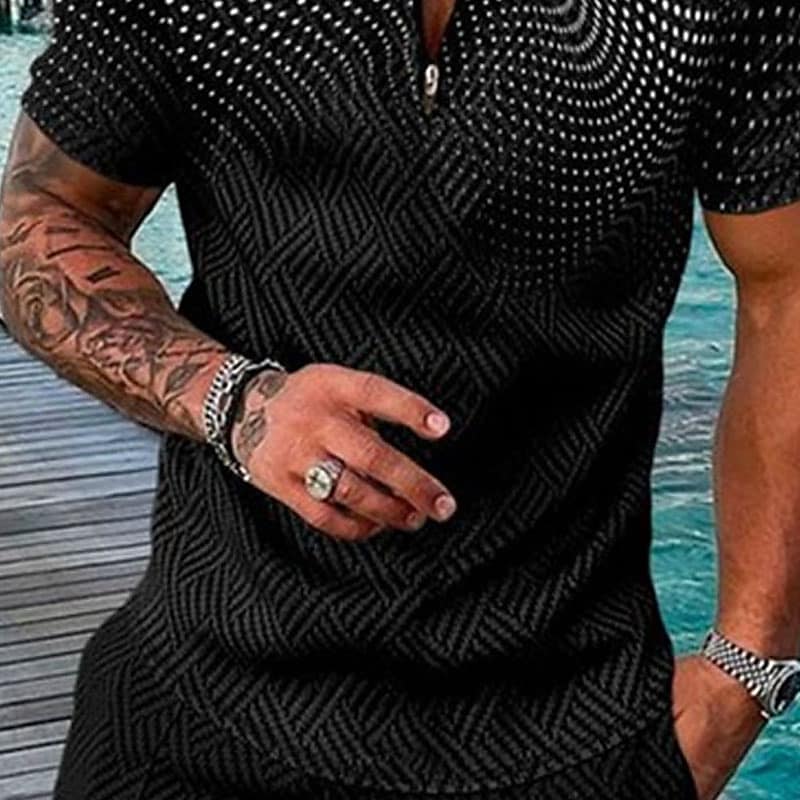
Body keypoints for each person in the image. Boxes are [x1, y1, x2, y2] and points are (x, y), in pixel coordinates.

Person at [1, 0, 799, 798]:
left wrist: (749, 667)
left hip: (572, 728)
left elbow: (786, 286)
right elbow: (45, 209)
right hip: (198, 703)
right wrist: (234, 399)